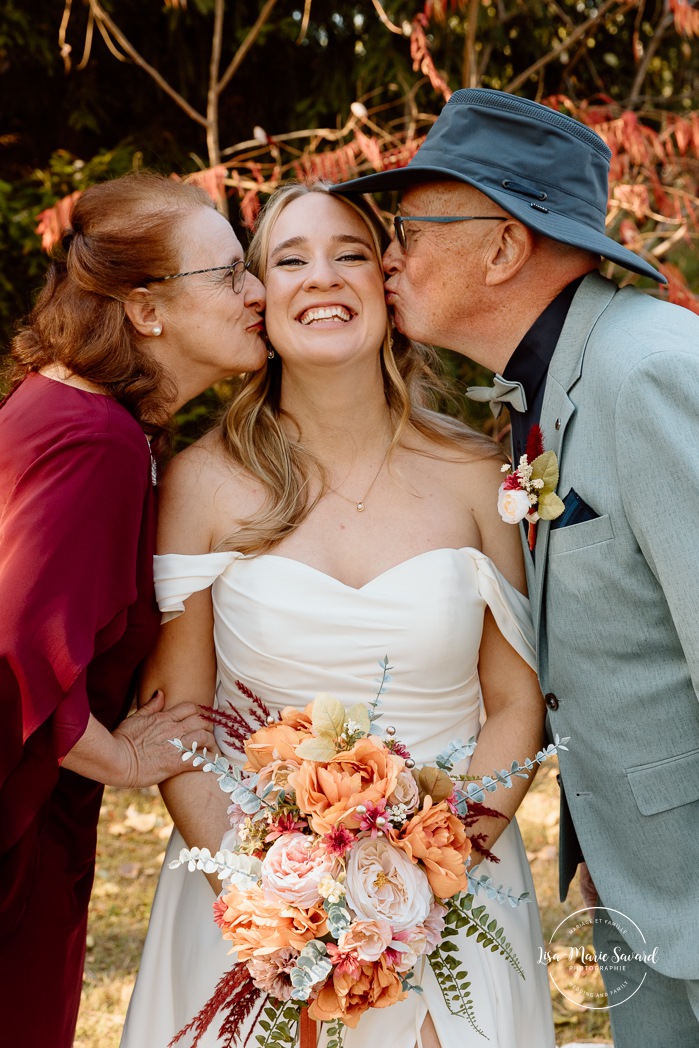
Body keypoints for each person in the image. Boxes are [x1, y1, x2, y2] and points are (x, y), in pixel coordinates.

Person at [121, 180, 555, 1048]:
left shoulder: (478, 471)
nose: (322, 278)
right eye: (290, 260)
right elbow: (177, 718)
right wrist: (277, 901)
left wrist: (422, 879)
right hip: (252, 899)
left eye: (349, 254)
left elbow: (516, 702)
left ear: (386, 285)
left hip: (455, 887)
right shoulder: (199, 483)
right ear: (257, 299)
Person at [334, 87, 699, 1046]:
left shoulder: (650, 371)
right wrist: (598, 845)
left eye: (410, 227)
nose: (387, 255)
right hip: (638, 884)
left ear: (502, 248)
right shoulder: (535, 394)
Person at [0, 172, 267, 1048]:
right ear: (146, 311)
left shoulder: (100, 422)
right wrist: (117, 757)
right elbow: (13, 651)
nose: (258, 292)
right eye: (228, 275)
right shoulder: (94, 440)